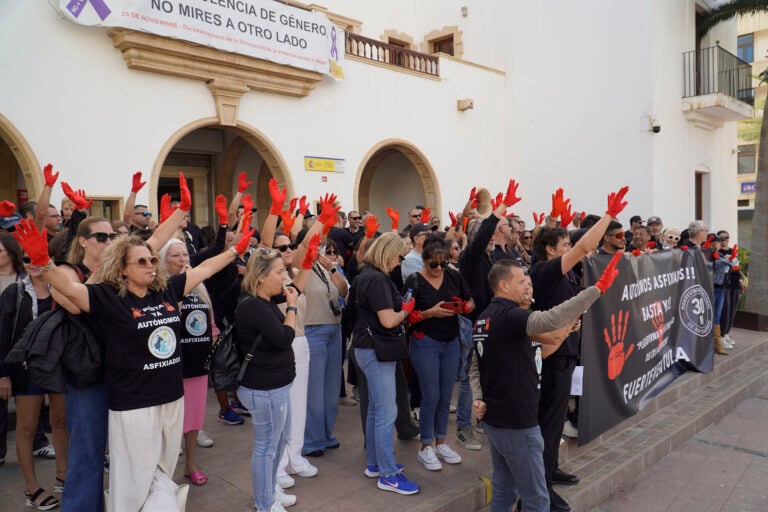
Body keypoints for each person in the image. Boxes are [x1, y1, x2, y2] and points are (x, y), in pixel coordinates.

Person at [14, 174, 254, 511]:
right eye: (142, 261)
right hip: (129, 399)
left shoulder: (166, 289)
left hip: (171, 399)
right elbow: (71, 292)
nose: (151, 265)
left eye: (153, 260)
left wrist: (234, 250)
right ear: (123, 269)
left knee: (161, 472)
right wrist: (43, 263)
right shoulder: (110, 297)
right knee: (130, 478)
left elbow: (202, 270)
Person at [470, 256, 621, 512]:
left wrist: (478, 396)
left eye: (529, 282)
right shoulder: (510, 316)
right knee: (537, 500)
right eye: (522, 282)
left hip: (497, 420)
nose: (528, 287)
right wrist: (595, 290)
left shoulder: (485, 317)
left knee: (505, 492)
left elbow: (476, 363)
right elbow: (550, 319)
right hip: (517, 422)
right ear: (504, 286)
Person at [530, 185, 629, 512]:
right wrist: (610, 214)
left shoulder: (564, 271)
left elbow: (581, 247)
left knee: (556, 419)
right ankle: (541, 484)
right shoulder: (543, 271)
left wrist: (557, 218)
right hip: (551, 354)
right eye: (563, 245)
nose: (571, 248)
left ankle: (551, 468)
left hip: (567, 350)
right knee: (546, 422)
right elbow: (586, 244)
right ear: (548, 250)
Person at [234, 238, 319, 512]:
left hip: (276, 387)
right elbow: (284, 337)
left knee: (280, 440)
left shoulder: (266, 299)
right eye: (279, 273)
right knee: (266, 448)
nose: (285, 277)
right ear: (261, 278)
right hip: (264, 389)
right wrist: (292, 309)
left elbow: (296, 289)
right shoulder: (254, 306)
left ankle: (270, 492)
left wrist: (306, 263)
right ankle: (264, 503)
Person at [0, 236, 68, 510]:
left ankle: (63, 476)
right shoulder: (14, 293)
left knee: (61, 423)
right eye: (27, 258)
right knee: (26, 429)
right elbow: (3, 337)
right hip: (25, 370)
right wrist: (2, 374)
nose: (32, 263)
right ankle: (31, 488)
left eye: (38, 257)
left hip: (60, 367)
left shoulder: (62, 288)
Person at [351, 232, 420, 495]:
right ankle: (388, 475)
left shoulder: (367, 275)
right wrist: (406, 310)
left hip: (367, 348)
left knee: (375, 411)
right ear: (389, 252)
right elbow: (389, 320)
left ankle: (375, 464)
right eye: (400, 256)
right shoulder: (377, 279)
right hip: (376, 350)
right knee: (386, 413)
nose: (400, 262)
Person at [404, 238, 474, 471]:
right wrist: (430, 313)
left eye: (443, 264)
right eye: (434, 264)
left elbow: (470, 301)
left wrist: (462, 307)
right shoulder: (414, 281)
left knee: (445, 395)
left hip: (451, 341)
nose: (438, 269)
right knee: (431, 394)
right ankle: (425, 446)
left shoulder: (453, 276)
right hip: (425, 342)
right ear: (424, 261)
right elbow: (405, 316)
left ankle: (441, 442)